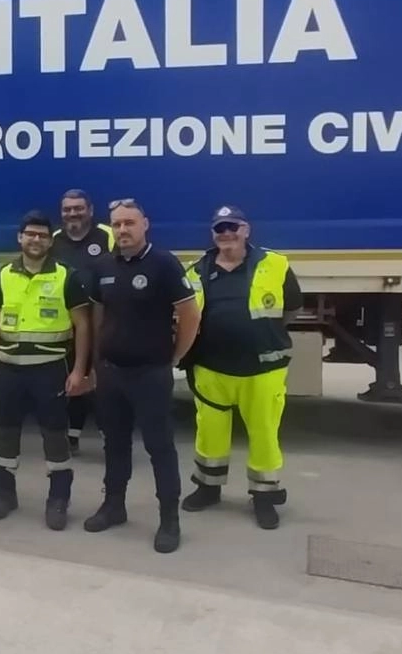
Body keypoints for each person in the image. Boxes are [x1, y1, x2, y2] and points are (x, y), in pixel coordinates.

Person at [83, 200, 201, 554]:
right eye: (117, 225)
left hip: (150, 374)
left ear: (145, 224)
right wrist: (97, 362)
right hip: (112, 374)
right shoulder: (103, 265)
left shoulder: (163, 263)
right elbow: (99, 315)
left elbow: (189, 315)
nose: (122, 231)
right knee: (114, 444)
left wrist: (173, 357)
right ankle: (114, 505)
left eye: (129, 223)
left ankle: (169, 519)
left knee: (159, 447)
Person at [181, 205, 302, 530]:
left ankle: (263, 496)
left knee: (264, 434)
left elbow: (291, 308)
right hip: (211, 368)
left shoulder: (274, 264)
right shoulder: (196, 270)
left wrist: (261, 336)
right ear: (213, 234)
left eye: (232, 226)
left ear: (246, 229)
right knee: (210, 434)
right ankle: (208, 488)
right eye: (220, 228)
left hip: (263, 370)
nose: (226, 233)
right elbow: (186, 317)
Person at [0, 211, 90, 530]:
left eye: (42, 235)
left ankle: (58, 499)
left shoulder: (66, 276)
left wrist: (79, 370)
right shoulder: (2, 276)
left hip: (50, 369)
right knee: (6, 434)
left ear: (50, 239)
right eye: (30, 234)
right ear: (20, 238)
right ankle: (3, 493)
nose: (36, 240)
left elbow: (82, 326)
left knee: (55, 437)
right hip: (9, 369)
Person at [52, 188, 115, 453]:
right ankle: (72, 436)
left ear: (89, 210)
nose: (72, 213)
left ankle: (111, 438)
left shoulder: (107, 235)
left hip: (104, 322)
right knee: (71, 379)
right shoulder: (54, 239)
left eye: (78, 208)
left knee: (105, 384)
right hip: (69, 325)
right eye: (67, 209)